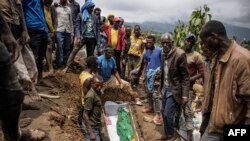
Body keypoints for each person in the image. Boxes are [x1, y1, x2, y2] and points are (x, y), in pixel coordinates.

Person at [200, 20, 250, 141]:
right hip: (214, 125)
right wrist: (205, 120)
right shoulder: (215, 57)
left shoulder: (242, 59)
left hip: (233, 129)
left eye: (205, 41)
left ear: (214, 36)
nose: (204, 45)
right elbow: (212, 93)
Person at [0, 0, 39, 99]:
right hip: (4, 27)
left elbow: (19, 6)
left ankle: (22, 96)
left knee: (30, 64)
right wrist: (6, 32)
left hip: (16, 26)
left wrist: (25, 30)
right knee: (12, 66)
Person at [159, 33, 189, 140]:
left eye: (167, 43)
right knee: (163, 112)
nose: (165, 45)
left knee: (167, 114)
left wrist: (185, 95)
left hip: (174, 89)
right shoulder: (163, 53)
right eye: (163, 43)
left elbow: (185, 77)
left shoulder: (180, 54)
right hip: (165, 88)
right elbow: (164, 71)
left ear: (172, 43)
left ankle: (170, 134)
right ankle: (168, 133)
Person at [63, 0, 99, 73]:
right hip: (83, 37)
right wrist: (78, 37)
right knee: (74, 51)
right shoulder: (80, 15)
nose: (92, 9)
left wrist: (97, 41)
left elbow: (97, 29)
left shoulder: (95, 17)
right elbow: (77, 27)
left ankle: (87, 70)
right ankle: (67, 66)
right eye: (91, 8)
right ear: (87, 7)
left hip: (92, 38)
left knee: (90, 56)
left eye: (93, 8)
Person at [184, 33, 205, 141]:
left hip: (188, 87)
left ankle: (189, 136)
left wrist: (190, 79)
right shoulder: (180, 53)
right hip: (176, 85)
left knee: (188, 111)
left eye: (192, 41)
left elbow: (202, 72)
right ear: (184, 41)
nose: (189, 42)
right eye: (188, 40)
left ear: (194, 43)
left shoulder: (196, 55)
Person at [22, 0, 48, 83]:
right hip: (32, 28)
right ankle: (32, 82)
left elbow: (41, 10)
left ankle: (40, 79)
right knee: (33, 57)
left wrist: (46, 28)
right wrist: (24, 30)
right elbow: (21, 11)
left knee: (41, 57)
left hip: (43, 29)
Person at [140, 35, 162, 124]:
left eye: (150, 42)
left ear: (154, 42)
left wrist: (160, 73)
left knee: (156, 95)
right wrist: (144, 75)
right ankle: (150, 107)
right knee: (148, 92)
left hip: (157, 75)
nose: (148, 43)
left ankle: (158, 114)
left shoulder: (159, 51)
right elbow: (145, 64)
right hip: (149, 74)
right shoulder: (146, 53)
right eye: (147, 42)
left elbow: (163, 63)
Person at [82, 76, 104, 141]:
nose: (99, 87)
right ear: (92, 83)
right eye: (97, 85)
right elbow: (85, 114)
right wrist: (91, 132)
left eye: (101, 85)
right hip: (91, 127)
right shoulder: (90, 96)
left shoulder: (96, 92)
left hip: (95, 125)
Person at [54, 0, 74, 68]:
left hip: (68, 31)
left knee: (67, 48)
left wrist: (72, 33)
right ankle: (58, 64)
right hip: (59, 30)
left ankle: (64, 63)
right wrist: (54, 30)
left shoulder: (68, 9)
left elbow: (70, 21)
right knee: (59, 47)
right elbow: (54, 19)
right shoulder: (56, 7)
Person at [44, 0, 55, 75]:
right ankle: (49, 67)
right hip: (44, 29)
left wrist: (53, 30)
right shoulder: (42, 7)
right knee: (48, 47)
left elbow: (51, 19)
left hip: (51, 30)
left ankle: (49, 65)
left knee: (50, 48)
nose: (51, 2)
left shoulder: (50, 8)